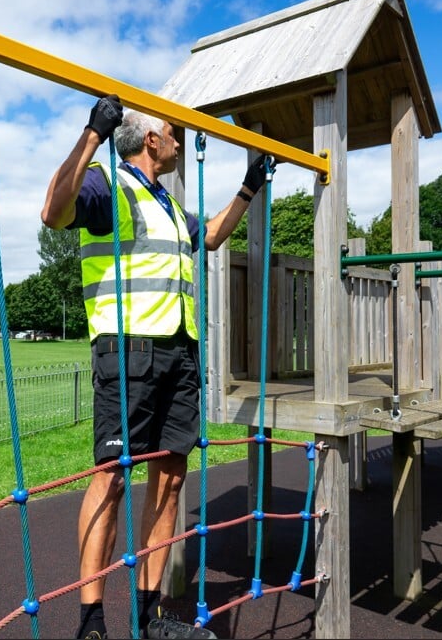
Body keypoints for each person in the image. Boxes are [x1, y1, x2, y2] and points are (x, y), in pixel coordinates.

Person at [41, 95, 272, 640]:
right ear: (152, 139)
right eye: (171, 131)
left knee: (170, 481)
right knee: (113, 478)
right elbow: (52, 210)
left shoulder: (166, 204)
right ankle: (92, 623)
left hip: (179, 353)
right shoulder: (107, 185)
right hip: (129, 352)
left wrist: (249, 187)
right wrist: (91, 133)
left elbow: (211, 236)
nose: (176, 139)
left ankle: (149, 617)